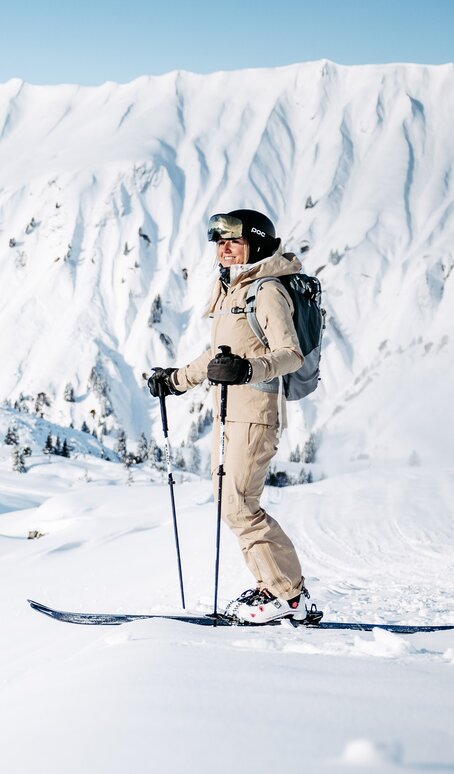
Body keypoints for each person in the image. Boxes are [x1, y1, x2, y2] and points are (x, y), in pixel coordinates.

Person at [148, 209, 310, 623]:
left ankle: (287, 594)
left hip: (256, 413)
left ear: (254, 244)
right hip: (229, 415)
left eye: (233, 241)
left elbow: (290, 354)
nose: (224, 248)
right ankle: (274, 587)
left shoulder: (267, 291)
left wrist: (249, 369)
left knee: (239, 504)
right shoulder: (231, 291)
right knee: (230, 502)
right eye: (219, 241)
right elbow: (217, 355)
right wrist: (177, 380)